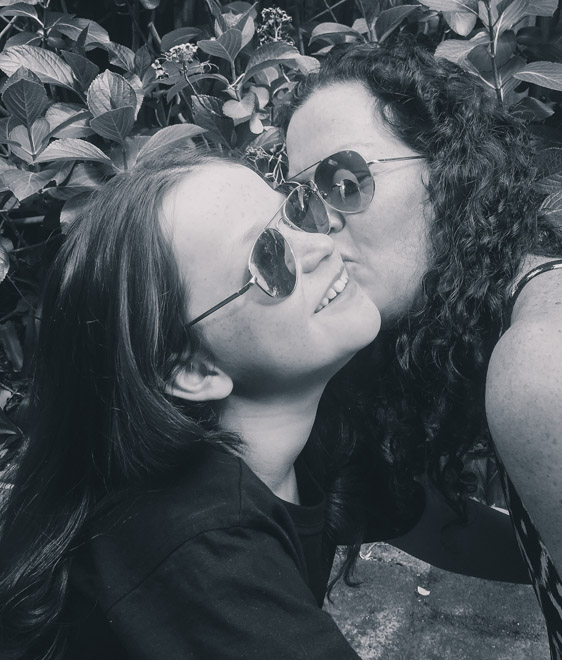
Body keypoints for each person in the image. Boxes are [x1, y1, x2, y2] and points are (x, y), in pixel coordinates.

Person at [0, 147, 383, 659]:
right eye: (268, 258)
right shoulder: (199, 547)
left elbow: (440, 525)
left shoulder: (313, 433)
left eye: (294, 209)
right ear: (194, 370)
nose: (321, 241)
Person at [283, 36, 562, 658]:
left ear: (452, 171)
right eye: (301, 203)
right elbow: (423, 520)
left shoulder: (540, 362)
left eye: (345, 180)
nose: (317, 228)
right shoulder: (481, 323)